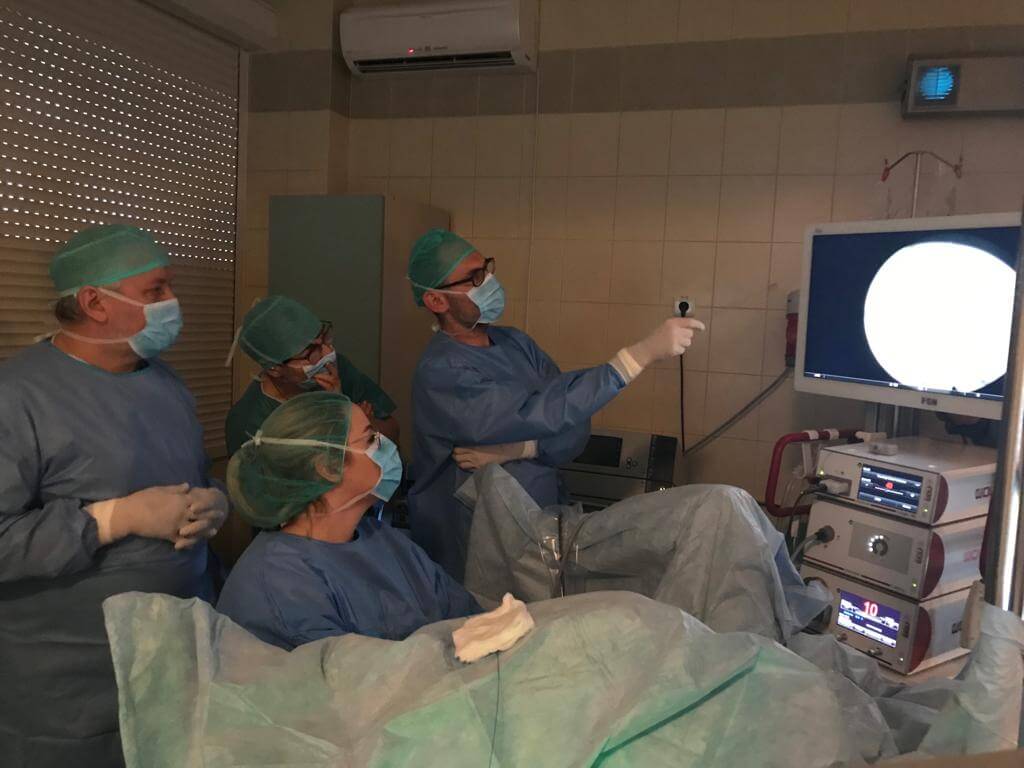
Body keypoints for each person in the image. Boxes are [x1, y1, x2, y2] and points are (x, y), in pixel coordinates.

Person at [0, 224, 229, 768]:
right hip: (71, 687)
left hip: (175, 658)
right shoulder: (19, 397)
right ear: (95, 302)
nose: (172, 302)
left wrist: (214, 503)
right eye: (156, 290)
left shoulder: (165, 384)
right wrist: (111, 519)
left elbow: (189, 474)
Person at [406, 228, 705, 579]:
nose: (488, 281)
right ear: (437, 301)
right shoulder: (442, 371)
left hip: (542, 526)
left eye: (486, 269)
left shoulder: (516, 344)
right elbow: (541, 412)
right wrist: (636, 358)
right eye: (474, 277)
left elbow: (572, 416)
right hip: (472, 543)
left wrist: (525, 449)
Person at [217, 392, 479, 650]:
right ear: (328, 467)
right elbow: (345, 674)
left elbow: (470, 621)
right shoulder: (282, 582)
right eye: (370, 438)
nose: (386, 445)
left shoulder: (383, 539)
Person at [225, 295, 398, 456]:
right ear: (274, 369)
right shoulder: (249, 423)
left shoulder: (335, 371)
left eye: (323, 337)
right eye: (310, 351)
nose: (327, 352)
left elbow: (392, 434)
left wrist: (366, 427)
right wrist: (345, 426)